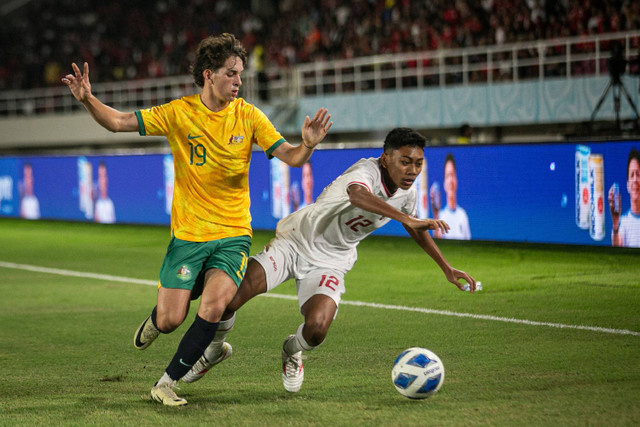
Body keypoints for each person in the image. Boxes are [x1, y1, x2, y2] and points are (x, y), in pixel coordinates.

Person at [61, 33, 333, 406]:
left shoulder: (250, 116)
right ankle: (158, 319)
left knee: (215, 305)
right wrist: (88, 99)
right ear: (209, 75)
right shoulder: (178, 113)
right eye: (232, 74)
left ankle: (166, 383)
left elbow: (291, 156)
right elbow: (119, 122)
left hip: (233, 234)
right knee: (172, 319)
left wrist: (308, 144)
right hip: (189, 236)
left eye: (240, 75)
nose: (239, 82)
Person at [181, 127, 477, 393]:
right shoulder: (366, 171)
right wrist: (406, 219)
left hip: (332, 261)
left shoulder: (407, 195)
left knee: (317, 329)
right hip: (295, 242)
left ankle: (291, 349)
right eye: (405, 161)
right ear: (386, 158)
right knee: (229, 298)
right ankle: (215, 351)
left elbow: (415, 228)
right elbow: (358, 196)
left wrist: (446, 267)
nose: (412, 170)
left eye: (418, 163)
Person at [432, 153, 471, 240]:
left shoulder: (463, 215)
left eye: (452, 175)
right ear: (444, 183)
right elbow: (437, 242)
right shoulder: (441, 216)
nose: (450, 181)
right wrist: (436, 214)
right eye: (447, 176)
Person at [609, 147, 640, 247]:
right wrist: (615, 222)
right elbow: (617, 246)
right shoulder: (623, 221)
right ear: (627, 185)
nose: (635, 179)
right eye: (632, 175)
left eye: (638, 174)